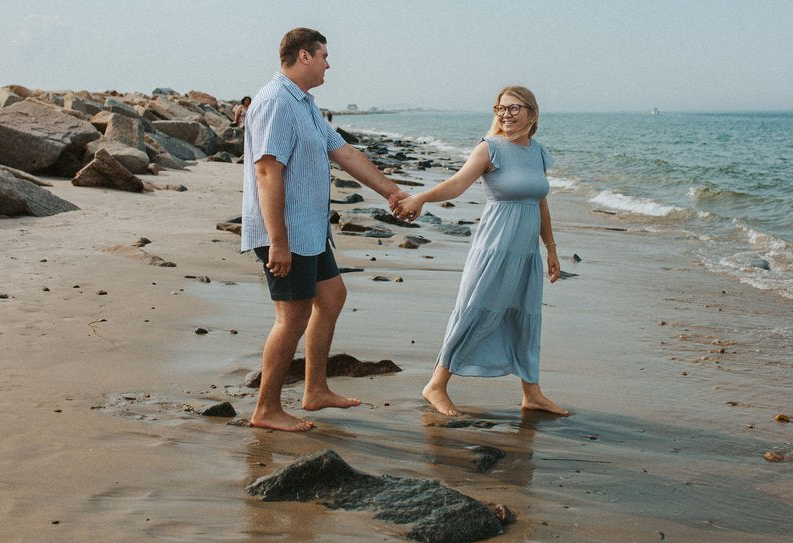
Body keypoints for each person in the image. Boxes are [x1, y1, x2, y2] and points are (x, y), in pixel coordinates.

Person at [242, 28, 409, 432]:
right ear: (304, 56)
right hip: (284, 231)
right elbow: (267, 170)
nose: (328, 64)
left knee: (332, 295)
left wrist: (392, 192)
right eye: (324, 56)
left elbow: (344, 152)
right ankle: (266, 409)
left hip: (309, 228)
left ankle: (314, 389)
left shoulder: (306, 104)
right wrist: (277, 241)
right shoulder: (276, 102)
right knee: (292, 316)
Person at [393, 85, 568, 417]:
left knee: (526, 315)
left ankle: (532, 392)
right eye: (500, 109)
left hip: (526, 252)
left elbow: (540, 201)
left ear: (532, 113)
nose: (505, 115)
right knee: (475, 310)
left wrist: (552, 250)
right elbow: (457, 184)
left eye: (514, 109)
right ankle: (436, 385)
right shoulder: (490, 149)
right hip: (495, 247)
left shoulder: (538, 152)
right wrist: (420, 198)